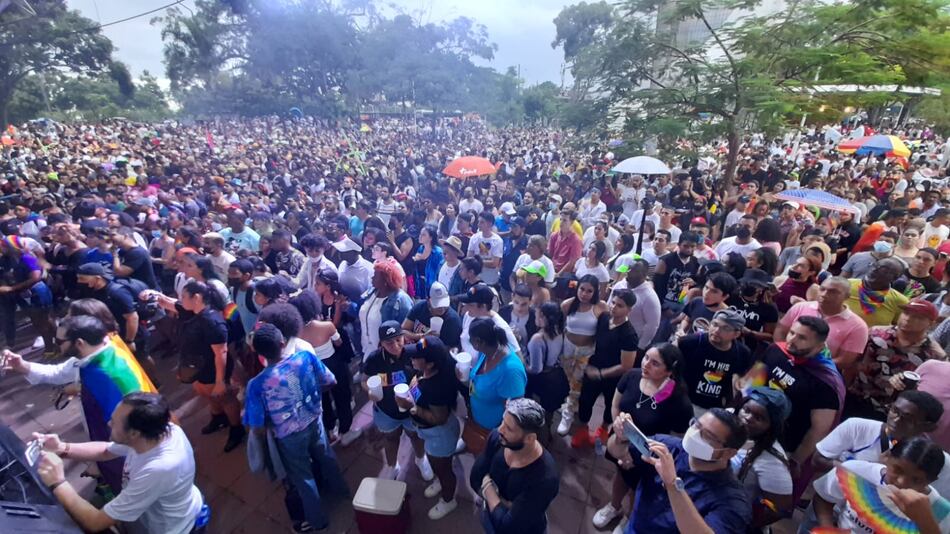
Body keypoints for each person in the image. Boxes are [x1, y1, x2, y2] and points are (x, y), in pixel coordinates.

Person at [2, 315, 157, 493]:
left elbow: (122, 435)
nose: (56, 344)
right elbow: (58, 372)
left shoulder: (105, 377)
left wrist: (101, 458)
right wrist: (22, 365)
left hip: (129, 457)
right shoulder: (98, 352)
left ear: (79, 343)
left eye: (59, 341)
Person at [34, 392, 204, 534]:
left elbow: (95, 522)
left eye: (114, 423)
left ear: (134, 434)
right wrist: (61, 448)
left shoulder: (159, 469)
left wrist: (58, 482)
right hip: (153, 513)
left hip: (169, 528)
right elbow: (106, 451)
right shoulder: (159, 431)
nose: (109, 424)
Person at [246, 322, 348, 531]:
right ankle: (342, 491)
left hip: (288, 436)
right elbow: (330, 381)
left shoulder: (256, 385)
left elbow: (256, 426)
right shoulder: (305, 358)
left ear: (259, 354)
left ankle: (318, 521)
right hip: (315, 419)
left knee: (303, 478)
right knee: (326, 457)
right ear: (282, 343)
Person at [592, 343, 693, 530]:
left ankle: (629, 518)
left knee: (637, 487)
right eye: (646, 357)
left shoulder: (679, 401)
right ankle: (614, 506)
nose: (646, 364)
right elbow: (615, 406)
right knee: (620, 475)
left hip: (649, 456)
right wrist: (619, 429)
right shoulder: (632, 376)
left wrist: (643, 455)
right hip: (621, 442)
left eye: (655, 363)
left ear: (669, 371)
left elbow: (677, 442)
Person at [606, 409, 751, 533]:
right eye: (696, 425)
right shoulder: (666, 447)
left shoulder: (733, 501)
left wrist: (673, 484)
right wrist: (621, 439)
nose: (695, 435)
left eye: (708, 436)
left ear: (728, 453)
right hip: (635, 527)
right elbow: (619, 453)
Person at [744, 316, 845, 495]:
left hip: (782, 446)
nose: (792, 339)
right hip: (748, 431)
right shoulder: (776, 350)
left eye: (802, 338)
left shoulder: (826, 382)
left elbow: (819, 430)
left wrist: (796, 460)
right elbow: (751, 384)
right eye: (792, 333)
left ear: (820, 346)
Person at [147, 280, 245, 452]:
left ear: (197, 298)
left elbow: (221, 353)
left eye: (184, 296)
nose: (180, 299)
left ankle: (237, 429)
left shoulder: (212, 322)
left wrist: (220, 381)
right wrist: (153, 295)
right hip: (198, 367)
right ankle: (218, 417)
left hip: (213, 368)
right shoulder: (191, 311)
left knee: (225, 397)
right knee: (204, 391)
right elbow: (170, 303)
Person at [814, 390, 950, 497]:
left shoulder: (937, 461)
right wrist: (864, 470)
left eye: (908, 419)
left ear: (929, 427)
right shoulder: (856, 426)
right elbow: (817, 460)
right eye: (895, 411)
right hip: (833, 502)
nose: (896, 420)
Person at [807, 436, 950, 534]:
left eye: (916, 480)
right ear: (887, 457)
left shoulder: (940, 511)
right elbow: (824, 498)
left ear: (931, 481)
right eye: (897, 470)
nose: (901, 482)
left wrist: (925, 519)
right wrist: (829, 528)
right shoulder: (855, 471)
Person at [469, 398, 559, 534]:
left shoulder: (545, 478)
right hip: (490, 519)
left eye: (509, 429)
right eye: (503, 421)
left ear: (530, 438)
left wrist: (487, 487)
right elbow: (475, 478)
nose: (500, 429)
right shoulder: (498, 439)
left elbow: (509, 528)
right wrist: (504, 506)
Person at [847, 299, 947, 420]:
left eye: (917, 317)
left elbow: (927, 392)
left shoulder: (934, 355)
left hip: (892, 414)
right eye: (906, 313)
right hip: (855, 397)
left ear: (931, 323)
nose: (907, 319)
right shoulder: (875, 333)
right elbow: (851, 363)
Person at [398, 336, 463, 520]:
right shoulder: (428, 372)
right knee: (438, 465)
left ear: (431, 363)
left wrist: (412, 407)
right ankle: (439, 480)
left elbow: (439, 418)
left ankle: (449, 500)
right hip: (430, 432)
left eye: (416, 357)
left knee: (444, 470)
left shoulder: (436, 387)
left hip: (440, 434)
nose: (412, 359)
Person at [360, 321, 434, 481]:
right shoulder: (375, 359)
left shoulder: (413, 352)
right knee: (390, 438)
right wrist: (370, 391)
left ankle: (420, 459)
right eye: (388, 343)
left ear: (403, 337)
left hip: (411, 408)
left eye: (398, 340)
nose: (395, 346)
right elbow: (364, 380)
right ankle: (392, 465)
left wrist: (418, 379)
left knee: (415, 436)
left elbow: (427, 367)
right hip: (386, 410)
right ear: (381, 344)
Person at [572, 289, 639, 449]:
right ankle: (583, 429)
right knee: (585, 401)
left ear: (629, 310)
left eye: (620, 305)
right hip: (594, 366)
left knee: (610, 405)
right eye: (613, 302)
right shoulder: (603, 318)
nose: (614, 307)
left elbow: (626, 366)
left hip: (613, 377)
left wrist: (601, 374)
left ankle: (603, 429)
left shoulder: (629, 335)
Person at [775, 276, 869, 379]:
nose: (824, 294)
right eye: (822, 289)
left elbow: (845, 361)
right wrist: (784, 354)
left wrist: (807, 364)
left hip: (817, 376)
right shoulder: (800, 307)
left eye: (833, 292)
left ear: (847, 296)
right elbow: (781, 330)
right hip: (782, 362)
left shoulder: (858, 327)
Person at [731, 387, 794, 530]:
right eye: (746, 410)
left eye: (759, 418)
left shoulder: (772, 462)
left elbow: (780, 509)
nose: (748, 418)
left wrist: (742, 524)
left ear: (772, 426)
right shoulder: (728, 419)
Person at [558, 274, 609, 435]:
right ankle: (568, 404)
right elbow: (561, 326)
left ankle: (568, 414)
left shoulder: (601, 307)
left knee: (577, 382)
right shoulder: (567, 304)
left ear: (595, 292)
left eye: (589, 291)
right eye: (582, 289)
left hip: (587, 350)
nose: (584, 294)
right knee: (567, 379)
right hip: (568, 347)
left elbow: (605, 329)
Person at [678, 309, 753, 415]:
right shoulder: (690, 342)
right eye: (714, 324)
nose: (717, 330)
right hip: (683, 402)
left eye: (725, 328)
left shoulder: (742, 353)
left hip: (713, 409)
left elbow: (739, 383)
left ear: (736, 334)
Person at [0, 235, 55, 352]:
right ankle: (52, 346)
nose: (2, 248)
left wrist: (11, 288)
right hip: (23, 296)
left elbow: (36, 277)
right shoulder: (6, 260)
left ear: (13, 247)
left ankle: (52, 347)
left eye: (4, 246)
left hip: (37, 293)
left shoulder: (27, 258)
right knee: (36, 322)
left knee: (43, 321)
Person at [524, 302, 570, 443]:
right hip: (557, 377)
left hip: (542, 381)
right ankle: (547, 432)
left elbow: (535, 369)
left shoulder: (538, 339)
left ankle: (540, 439)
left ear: (543, 317)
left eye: (536, 314)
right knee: (549, 412)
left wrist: (522, 361)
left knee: (538, 412)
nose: (534, 317)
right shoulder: (560, 331)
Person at [359, 258, 413, 361]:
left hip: (388, 353)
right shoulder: (371, 292)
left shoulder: (401, 300)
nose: (372, 277)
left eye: (375, 276)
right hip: (367, 348)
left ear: (386, 280)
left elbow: (405, 330)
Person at [845, 257, 909, 327]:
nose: (874, 270)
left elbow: (898, 327)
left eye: (883, 270)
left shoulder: (900, 301)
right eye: (874, 265)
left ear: (894, 278)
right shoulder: (847, 285)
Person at [728, 268, 778, 355]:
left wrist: (750, 333)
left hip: (747, 347)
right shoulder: (731, 297)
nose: (749, 286)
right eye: (747, 283)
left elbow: (770, 336)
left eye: (755, 285)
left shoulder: (768, 307)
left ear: (761, 288)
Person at [403, 281, 463, 349]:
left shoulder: (453, 320)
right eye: (437, 304)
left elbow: (452, 349)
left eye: (444, 303)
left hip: (438, 352)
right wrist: (421, 336)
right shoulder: (420, 307)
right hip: (417, 347)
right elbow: (403, 331)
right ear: (428, 300)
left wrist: (432, 340)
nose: (442, 308)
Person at [468, 211, 504, 287]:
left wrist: (477, 261)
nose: (478, 224)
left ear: (490, 224)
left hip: (490, 280)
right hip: (475, 279)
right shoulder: (474, 238)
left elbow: (494, 263)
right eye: (478, 222)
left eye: (482, 222)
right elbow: (469, 257)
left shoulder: (497, 241)